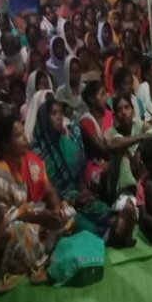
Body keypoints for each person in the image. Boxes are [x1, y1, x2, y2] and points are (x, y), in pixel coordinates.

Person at [0, 115, 73, 293]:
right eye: (18, 136)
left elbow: (49, 191)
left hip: (32, 215)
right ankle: (32, 262)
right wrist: (39, 218)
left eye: (24, 133)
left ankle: (35, 258)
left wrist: (54, 209)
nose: (25, 138)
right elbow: (2, 216)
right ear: (6, 144)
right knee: (20, 232)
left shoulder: (31, 161)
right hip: (6, 229)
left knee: (68, 214)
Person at [30, 95, 132, 245]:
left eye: (60, 113)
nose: (59, 117)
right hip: (55, 205)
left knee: (98, 207)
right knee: (75, 220)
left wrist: (84, 191)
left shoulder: (66, 142)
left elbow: (78, 176)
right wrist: (71, 201)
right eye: (54, 114)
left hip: (75, 195)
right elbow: (43, 192)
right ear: (44, 118)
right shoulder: (36, 153)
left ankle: (115, 223)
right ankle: (112, 233)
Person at [105, 94, 152, 245]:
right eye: (119, 109)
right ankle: (128, 206)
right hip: (119, 189)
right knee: (124, 153)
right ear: (115, 115)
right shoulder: (111, 132)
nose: (124, 112)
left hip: (141, 180)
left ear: (133, 110)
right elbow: (113, 144)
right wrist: (141, 139)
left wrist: (143, 145)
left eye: (127, 108)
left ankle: (124, 221)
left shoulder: (139, 126)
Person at [55, 55, 87, 121]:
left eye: (78, 71)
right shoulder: (60, 92)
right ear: (67, 72)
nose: (76, 74)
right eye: (73, 71)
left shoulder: (85, 89)